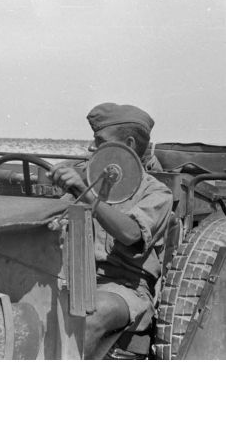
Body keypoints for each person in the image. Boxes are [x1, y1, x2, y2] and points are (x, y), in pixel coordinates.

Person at [47, 102, 173, 359]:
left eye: (99, 140)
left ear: (126, 144)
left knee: (88, 315)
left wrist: (88, 197)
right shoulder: (88, 177)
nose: (92, 147)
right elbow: (50, 218)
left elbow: (131, 234)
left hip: (124, 288)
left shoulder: (155, 192)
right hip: (71, 277)